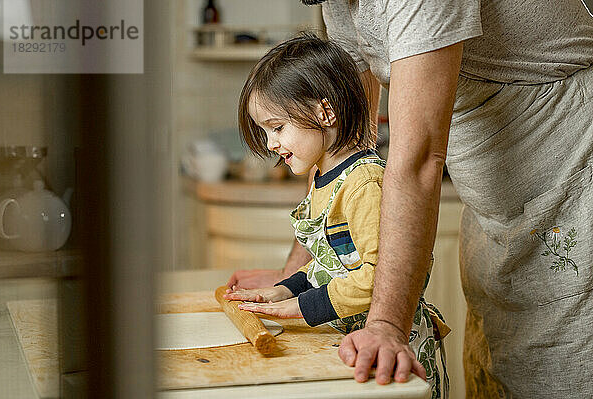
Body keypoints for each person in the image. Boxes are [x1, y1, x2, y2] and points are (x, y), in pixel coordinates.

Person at [227, 1, 593, 397]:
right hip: (495, 217)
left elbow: (416, 159)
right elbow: (342, 147)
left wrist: (386, 327)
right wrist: (293, 278)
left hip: (572, 193)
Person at [225, 33, 450, 398]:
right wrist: (281, 291)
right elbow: (328, 267)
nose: (270, 144)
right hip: (354, 341)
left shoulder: (363, 183)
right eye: (266, 131)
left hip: (394, 354)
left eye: (278, 127)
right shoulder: (322, 179)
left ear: (324, 112)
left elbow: (373, 276)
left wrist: (297, 308)